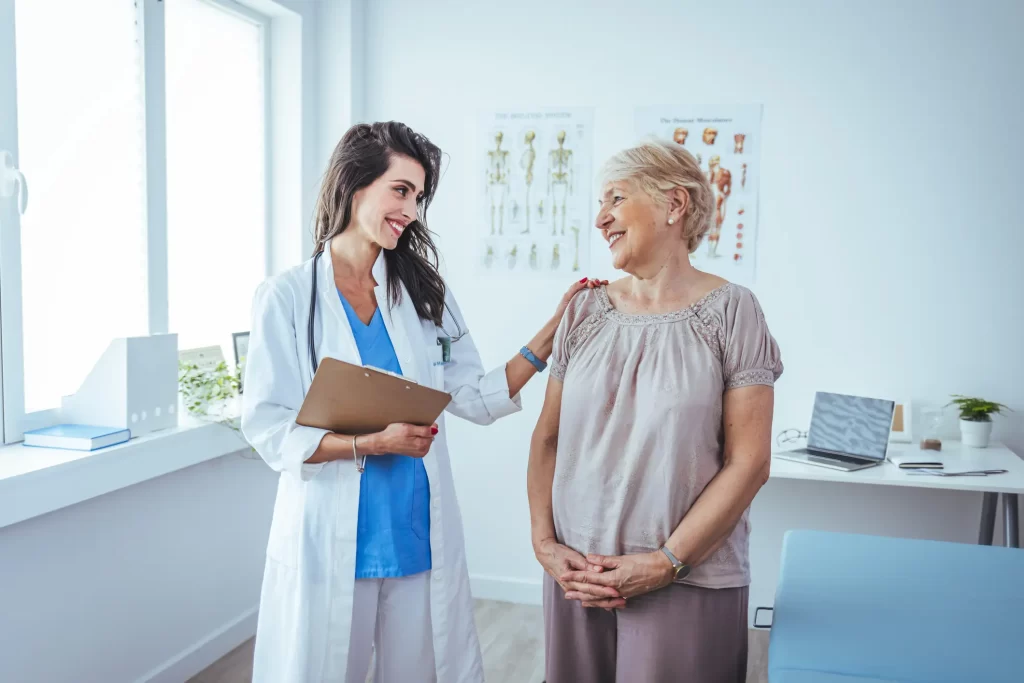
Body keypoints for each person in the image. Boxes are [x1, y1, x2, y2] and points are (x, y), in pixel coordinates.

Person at [240, 121, 602, 683]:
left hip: (414, 531)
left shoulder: (421, 291)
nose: (411, 209)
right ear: (355, 184)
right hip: (332, 535)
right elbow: (268, 427)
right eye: (401, 190)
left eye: (419, 196)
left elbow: (473, 397)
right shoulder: (288, 297)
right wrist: (370, 442)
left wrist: (551, 332)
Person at [527, 138, 783, 682]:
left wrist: (666, 562)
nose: (601, 218)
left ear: (674, 205)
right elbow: (548, 439)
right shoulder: (584, 309)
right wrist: (545, 545)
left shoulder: (733, 312)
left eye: (616, 199)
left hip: (688, 578)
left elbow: (750, 462)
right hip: (578, 577)